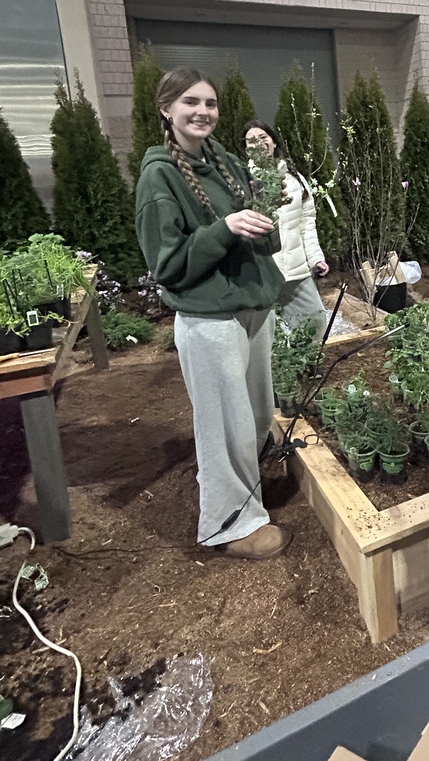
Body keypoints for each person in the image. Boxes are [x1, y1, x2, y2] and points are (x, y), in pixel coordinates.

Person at [135, 68, 291, 561]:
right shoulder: (159, 175)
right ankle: (231, 525)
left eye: (210, 103)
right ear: (167, 110)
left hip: (251, 305)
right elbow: (168, 265)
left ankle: (249, 486)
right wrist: (224, 228)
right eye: (190, 102)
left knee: (258, 413)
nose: (202, 111)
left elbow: (255, 232)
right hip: (210, 319)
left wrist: (266, 215)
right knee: (223, 425)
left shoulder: (223, 160)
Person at [244, 121, 329, 339]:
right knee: (265, 334)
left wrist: (315, 258)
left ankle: (308, 367)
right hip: (261, 272)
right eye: (251, 140)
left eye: (263, 137)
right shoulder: (243, 181)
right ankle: (276, 371)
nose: (259, 144)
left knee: (316, 321)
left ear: (273, 142)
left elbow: (306, 222)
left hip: (295, 269)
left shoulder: (295, 179)